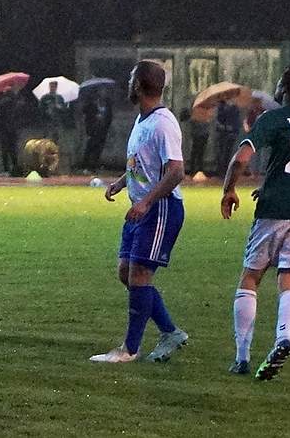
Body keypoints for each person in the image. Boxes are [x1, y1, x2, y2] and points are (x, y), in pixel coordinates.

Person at [220, 63, 290, 380]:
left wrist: (228, 189)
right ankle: (284, 338)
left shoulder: (274, 118)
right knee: (289, 281)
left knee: (251, 278)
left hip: (275, 211)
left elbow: (242, 155)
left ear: (284, 89)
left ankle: (242, 357)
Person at [90, 61, 189, 364]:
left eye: (131, 78)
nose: (128, 83)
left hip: (160, 208)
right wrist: (121, 183)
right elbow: (142, 164)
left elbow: (176, 172)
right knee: (127, 273)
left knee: (140, 274)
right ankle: (171, 332)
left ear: (138, 85)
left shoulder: (163, 123)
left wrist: (146, 202)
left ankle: (129, 349)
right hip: (142, 208)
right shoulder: (143, 119)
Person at [79, 85, 115, 172]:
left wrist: (106, 123)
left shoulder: (107, 102)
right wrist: (94, 115)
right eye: (101, 91)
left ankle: (95, 165)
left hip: (102, 128)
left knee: (99, 147)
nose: (103, 93)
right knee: (90, 146)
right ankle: (86, 165)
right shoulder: (91, 102)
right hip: (92, 128)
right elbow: (84, 111)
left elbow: (109, 114)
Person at [212, 96, 245, 178]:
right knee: (221, 152)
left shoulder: (234, 108)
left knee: (228, 153)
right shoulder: (221, 107)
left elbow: (236, 122)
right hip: (223, 133)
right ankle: (220, 171)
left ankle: (226, 172)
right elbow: (218, 120)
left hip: (231, 133)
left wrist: (232, 128)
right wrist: (222, 126)